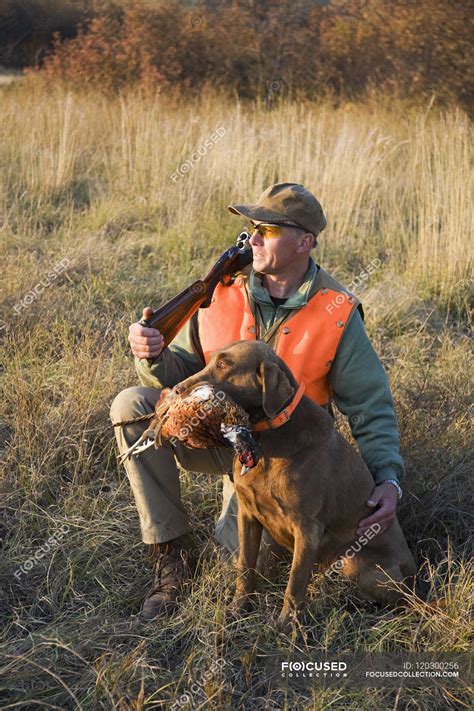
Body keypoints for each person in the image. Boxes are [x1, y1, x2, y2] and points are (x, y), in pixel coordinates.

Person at [110, 182, 405, 620]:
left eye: (268, 229)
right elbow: (182, 377)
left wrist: (388, 479)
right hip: (215, 433)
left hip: (289, 459)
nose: (253, 238)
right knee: (132, 406)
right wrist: (153, 355)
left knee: (241, 563)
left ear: (304, 241)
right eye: (252, 227)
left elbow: (370, 406)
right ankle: (171, 555)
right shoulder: (219, 292)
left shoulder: (336, 310)